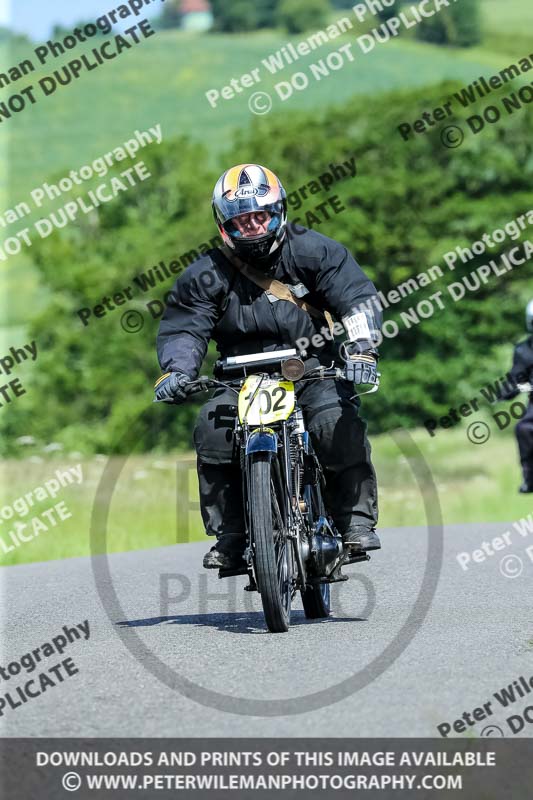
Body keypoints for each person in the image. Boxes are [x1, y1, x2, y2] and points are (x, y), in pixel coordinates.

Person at [154, 163, 382, 569]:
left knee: (333, 423)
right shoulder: (205, 274)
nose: (254, 228)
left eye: (261, 216)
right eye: (243, 221)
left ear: (279, 212)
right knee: (213, 430)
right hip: (238, 376)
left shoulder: (316, 251)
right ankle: (234, 535)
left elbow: (357, 298)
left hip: (311, 367)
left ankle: (353, 523)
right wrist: (177, 371)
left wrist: (362, 348)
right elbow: (185, 329)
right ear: (224, 225)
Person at [500, 300, 533, 493]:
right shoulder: (523, 350)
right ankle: (529, 477)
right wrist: (504, 392)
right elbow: (515, 378)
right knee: (524, 428)